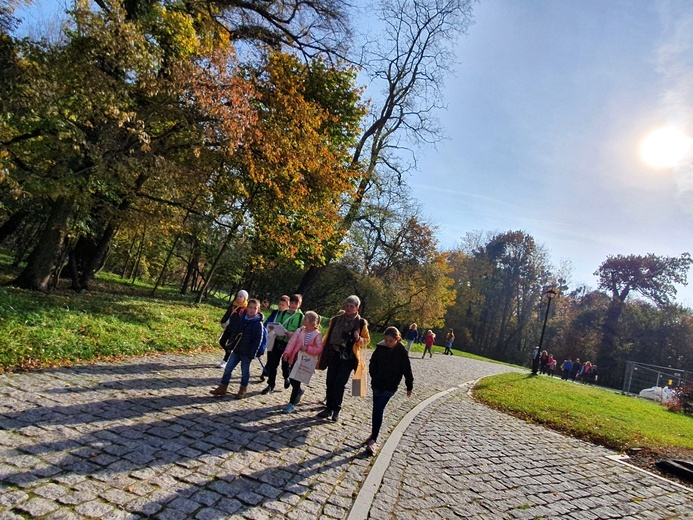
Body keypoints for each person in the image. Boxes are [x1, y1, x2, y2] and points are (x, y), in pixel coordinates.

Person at [316, 295, 370, 422]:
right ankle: (328, 408)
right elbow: (328, 336)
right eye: (347, 306)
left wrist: (358, 339)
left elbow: (366, 340)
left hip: (348, 358)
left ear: (357, 308)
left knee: (339, 384)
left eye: (351, 306)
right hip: (334, 355)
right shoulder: (336, 319)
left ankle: (336, 409)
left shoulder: (361, 323)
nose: (348, 308)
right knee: (330, 382)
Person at [366, 327, 413, 456]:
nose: (388, 343)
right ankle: (374, 433)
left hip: (390, 386)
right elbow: (372, 362)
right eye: (386, 340)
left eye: (391, 341)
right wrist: (374, 375)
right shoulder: (380, 347)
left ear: (397, 339)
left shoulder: (401, 352)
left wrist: (409, 386)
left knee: (379, 409)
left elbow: (407, 370)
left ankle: (374, 440)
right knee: (376, 408)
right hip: (377, 383)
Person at [210, 298, 265, 399]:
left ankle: (243, 389)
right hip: (236, 349)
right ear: (246, 308)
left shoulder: (258, 324)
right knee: (228, 368)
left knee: (244, 372)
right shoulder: (242, 318)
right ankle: (223, 387)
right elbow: (235, 332)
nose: (252, 310)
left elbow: (258, 340)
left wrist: (252, 353)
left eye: (254, 308)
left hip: (247, 353)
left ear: (258, 310)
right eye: (250, 307)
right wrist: (231, 345)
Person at [281, 311, 323, 413]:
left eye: (306, 319)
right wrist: (286, 353)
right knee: (291, 378)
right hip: (295, 358)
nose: (303, 320)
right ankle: (299, 391)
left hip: (304, 362)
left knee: (296, 379)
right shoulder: (299, 331)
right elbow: (291, 343)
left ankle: (291, 403)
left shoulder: (317, 335)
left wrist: (307, 348)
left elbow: (319, 348)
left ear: (312, 322)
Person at [262, 294, 304, 394]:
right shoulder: (284, 313)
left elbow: (302, 332)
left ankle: (287, 377)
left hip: (289, 345)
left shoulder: (301, 317)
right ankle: (270, 384)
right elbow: (276, 323)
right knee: (273, 364)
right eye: (292, 303)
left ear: (299, 304)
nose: (293, 305)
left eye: (296, 303)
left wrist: (292, 334)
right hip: (278, 340)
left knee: (285, 366)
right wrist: (277, 330)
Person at [261, 295, 290, 381]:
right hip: (271, 336)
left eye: (283, 305)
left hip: (279, 339)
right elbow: (268, 322)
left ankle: (266, 371)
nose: (280, 306)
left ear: (287, 306)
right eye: (279, 304)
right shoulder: (275, 312)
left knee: (273, 357)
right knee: (269, 354)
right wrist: (264, 328)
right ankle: (266, 371)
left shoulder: (287, 316)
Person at [218, 289, 249, 368]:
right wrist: (223, 321)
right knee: (222, 342)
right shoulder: (233, 305)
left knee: (230, 345)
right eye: (238, 296)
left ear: (245, 298)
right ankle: (230, 353)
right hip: (229, 327)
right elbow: (228, 314)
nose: (238, 298)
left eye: (241, 296)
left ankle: (225, 361)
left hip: (236, 331)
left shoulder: (246, 309)